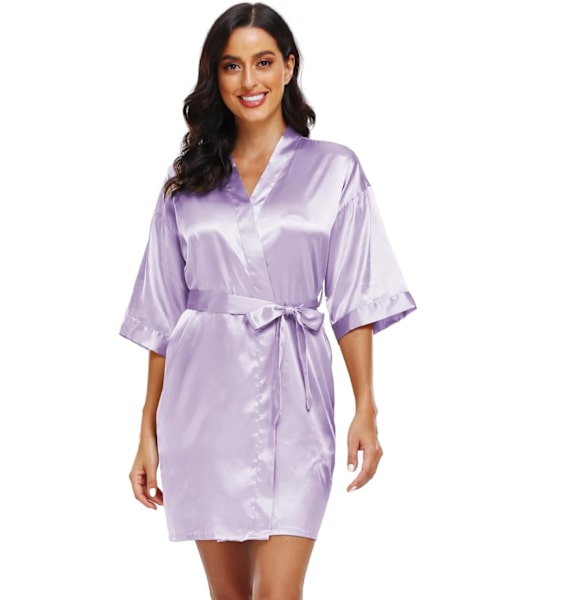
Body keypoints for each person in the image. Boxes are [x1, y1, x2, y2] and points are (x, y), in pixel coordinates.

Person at [119, 2, 417, 598]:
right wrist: (146, 430)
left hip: (296, 401)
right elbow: (161, 318)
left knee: (279, 593)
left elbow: (354, 299)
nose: (248, 80)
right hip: (203, 404)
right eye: (232, 66)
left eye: (263, 62)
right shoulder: (187, 183)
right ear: (215, 75)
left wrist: (366, 407)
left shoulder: (335, 169)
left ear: (289, 67)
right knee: (230, 597)